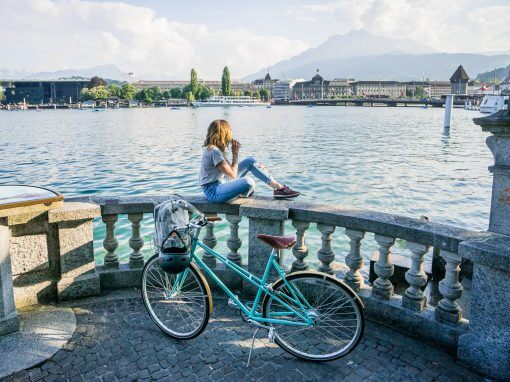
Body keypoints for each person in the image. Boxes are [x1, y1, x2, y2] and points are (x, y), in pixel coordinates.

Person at [199, 119, 300, 203]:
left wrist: (257, 166)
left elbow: (230, 171)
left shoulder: (216, 149)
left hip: (221, 182)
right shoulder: (214, 151)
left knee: (250, 161)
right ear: (224, 134)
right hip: (213, 191)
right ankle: (242, 192)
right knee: (248, 181)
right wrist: (235, 154)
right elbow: (233, 175)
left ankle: (278, 188)